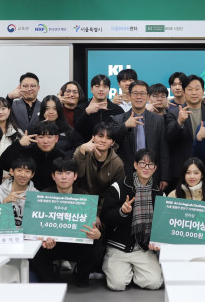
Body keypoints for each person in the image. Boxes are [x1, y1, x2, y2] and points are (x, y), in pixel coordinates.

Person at [31, 158, 103, 287]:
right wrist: (42, 239)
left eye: (68, 173)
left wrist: (97, 235)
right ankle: (51, 271)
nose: (64, 177)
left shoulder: (84, 197)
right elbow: (36, 228)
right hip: (52, 245)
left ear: (75, 176)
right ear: (53, 176)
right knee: (35, 251)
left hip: (76, 245)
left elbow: (91, 229)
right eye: (59, 173)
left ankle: (80, 273)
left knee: (96, 249)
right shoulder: (44, 196)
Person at [101, 149, 164, 291]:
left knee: (154, 283)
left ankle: (132, 273)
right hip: (119, 246)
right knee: (117, 285)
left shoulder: (159, 193)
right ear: (135, 165)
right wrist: (122, 212)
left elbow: (161, 226)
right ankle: (119, 270)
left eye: (150, 165)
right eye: (142, 163)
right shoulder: (118, 187)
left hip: (143, 248)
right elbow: (105, 217)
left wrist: (156, 241)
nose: (146, 168)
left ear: (155, 168)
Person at [111, 81, 170, 189]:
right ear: (129, 96)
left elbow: (163, 149)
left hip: (152, 173)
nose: (139, 97)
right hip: (125, 173)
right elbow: (113, 140)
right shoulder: (118, 119)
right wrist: (125, 126)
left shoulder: (158, 120)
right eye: (135, 93)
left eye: (142, 93)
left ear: (147, 97)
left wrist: (164, 177)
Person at [166, 75, 205, 189]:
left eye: (197, 89)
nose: (194, 92)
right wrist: (179, 122)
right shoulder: (174, 113)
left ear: (203, 91)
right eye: (190, 89)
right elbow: (169, 139)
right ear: (184, 92)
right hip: (180, 172)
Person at [73, 123, 126, 218]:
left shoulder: (117, 164)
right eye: (100, 136)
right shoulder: (82, 151)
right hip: (77, 202)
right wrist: (81, 151)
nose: (103, 141)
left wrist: (97, 213)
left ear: (112, 143)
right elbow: (77, 175)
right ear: (93, 137)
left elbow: (112, 194)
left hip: (102, 208)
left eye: (108, 138)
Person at [1, 121, 67, 191]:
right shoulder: (26, 152)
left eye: (49, 137)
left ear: (56, 138)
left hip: (51, 195)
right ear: (35, 138)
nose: (45, 141)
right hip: (26, 193)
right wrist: (19, 145)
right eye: (41, 137)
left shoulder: (63, 157)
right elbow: (4, 164)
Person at [74, 74, 125, 140]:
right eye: (97, 86)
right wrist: (86, 112)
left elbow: (121, 134)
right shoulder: (81, 108)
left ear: (109, 89)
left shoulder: (117, 110)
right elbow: (76, 131)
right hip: (87, 145)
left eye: (105, 86)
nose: (101, 89)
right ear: (91, 89)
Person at [0, 155, 38, 226]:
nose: (23, 175)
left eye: (27, 171)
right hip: (5, 231)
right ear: (12, 171)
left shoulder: (37, 195)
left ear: (32, 174)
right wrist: (4, 204)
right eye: (19, 170)